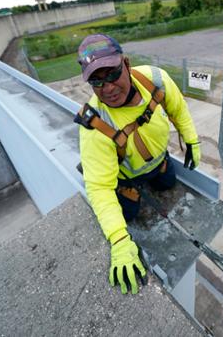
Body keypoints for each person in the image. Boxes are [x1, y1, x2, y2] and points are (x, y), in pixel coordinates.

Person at [74, 33, 200, 295]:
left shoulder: (156, 80)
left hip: (158, 161)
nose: (107, 87)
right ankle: (129, 190)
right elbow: (98, 188)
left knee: (168, 184)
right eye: (97, 81)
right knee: (129, 214)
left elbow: (178, 109)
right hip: (127, 177)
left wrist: (192, 140)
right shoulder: (95, 125)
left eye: (112, 74)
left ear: (127, 64)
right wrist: (119, 241)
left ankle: (161, 168)